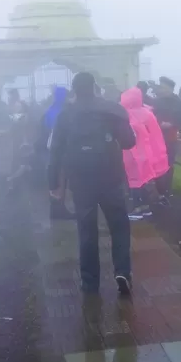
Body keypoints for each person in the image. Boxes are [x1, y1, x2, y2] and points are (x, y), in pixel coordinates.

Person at [48, 72, 137, 295]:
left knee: (86, 230)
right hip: (110, 176)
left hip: (80, 180)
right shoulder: (112, 110)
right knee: (119, 225)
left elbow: (56, 150)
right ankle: (122, 272)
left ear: (74, 90)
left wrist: (53, 183)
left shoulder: (66, 115)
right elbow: (129, 142)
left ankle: (89, 283)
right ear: (95, 87)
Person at [120, 86, 169, 219]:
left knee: (134, 180)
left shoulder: (125, 114)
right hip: (147, 153)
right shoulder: (147, 113)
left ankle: (138, 208)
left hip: (130, 153)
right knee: (145, 179)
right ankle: (146, 207)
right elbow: (156, 135)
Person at [40, 86, 74, 220]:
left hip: (52, 146)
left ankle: (57, 209)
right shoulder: (61, 111)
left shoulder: (51, 110)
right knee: (60, 178)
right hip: (59, 148)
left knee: (56, 178)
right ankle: (58, 210)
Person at [152, 76, 181, 200]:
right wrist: (158, 122)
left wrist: (171, 124)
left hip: (170, 138)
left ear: (171, 89)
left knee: (169, 164)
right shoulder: (157, 101)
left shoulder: (177, 102)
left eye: (164, 88)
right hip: (156, 138)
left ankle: (167, 190)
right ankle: (160, 189)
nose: (162, 90)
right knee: (157, 163)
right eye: (161, 87)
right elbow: (151, 115)